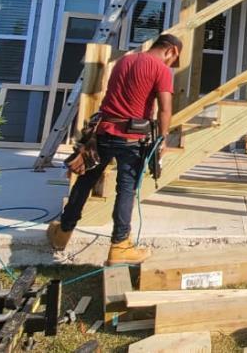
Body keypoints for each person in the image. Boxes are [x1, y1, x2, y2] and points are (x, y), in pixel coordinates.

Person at [47, 34, 182, 265]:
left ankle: (62, 233)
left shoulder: (124, 61)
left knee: (85, 182)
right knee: (126, 190)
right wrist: (162, 139)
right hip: (132, 139)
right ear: (171, 51)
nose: (170, 64)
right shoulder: (160, 69)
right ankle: (120, 246)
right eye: (172, 60)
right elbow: (165, 110)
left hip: (103, 133)